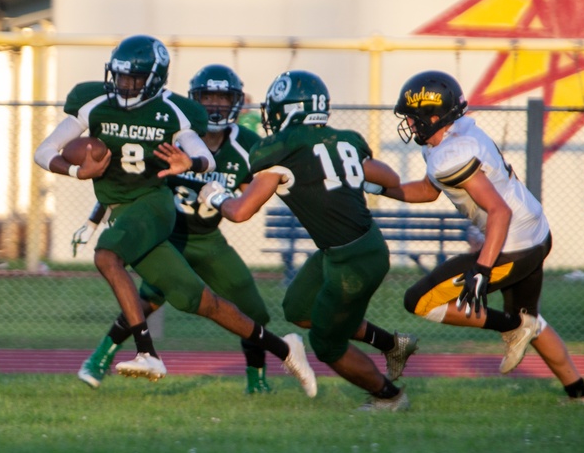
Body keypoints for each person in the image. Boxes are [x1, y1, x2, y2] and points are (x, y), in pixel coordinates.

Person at [34, 35, 317, 393]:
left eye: (133, 77)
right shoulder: (94, 102)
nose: (124, 84)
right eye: (120, 75)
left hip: (161, 210)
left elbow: (209, 160)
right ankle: (286, 349)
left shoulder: (178, 113)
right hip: (144, 220)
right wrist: (77, 174)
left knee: (107, 257)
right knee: (200, 302)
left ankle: (148, 352)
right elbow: (44, 151)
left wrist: (193, 162)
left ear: (154, 78)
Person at [200, 70, 418, 411]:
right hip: (345, 249)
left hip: (356, 259)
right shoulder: (343, 138)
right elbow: (389, 177)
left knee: (326, 344)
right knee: (299, 309)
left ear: (286, 110)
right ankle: (392, 344)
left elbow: (240, 212)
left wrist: (214, 197)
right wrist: (352, 178)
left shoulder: (280, 149)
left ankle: (390, 397)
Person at [378, 69, 584, 407]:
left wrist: (482, 268)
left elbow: (499, 212)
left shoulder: (453, 153)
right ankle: (582, 396)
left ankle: (510, 325)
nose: (408, 124)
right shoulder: (456, 134)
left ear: (434, 117)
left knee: (419, 301)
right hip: (535, 232)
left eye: (412, 118)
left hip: (513, 245)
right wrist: (381, 187)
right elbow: (426, 190)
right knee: (532, 321)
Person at [74, 65, 279, 394]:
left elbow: (255, 189)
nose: (214, 106)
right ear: (195, 101)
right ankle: (99, 358)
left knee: (252, 309)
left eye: (222, 98)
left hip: (210, 241)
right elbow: (128, 185)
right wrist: (94, 218)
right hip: (169, 236)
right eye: (207, 98)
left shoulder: (246, 145)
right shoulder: (174, 136)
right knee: (144, 303)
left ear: (236, 103)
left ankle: (257, 381)